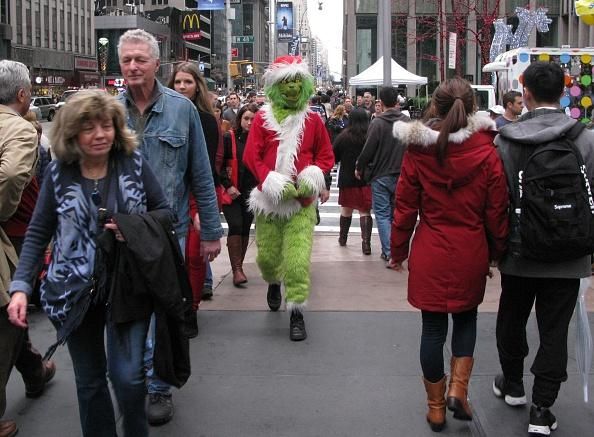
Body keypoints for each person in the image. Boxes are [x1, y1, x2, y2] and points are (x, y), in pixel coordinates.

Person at [8, 90, 172, 437]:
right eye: (88, 127)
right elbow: (38, 232)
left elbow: (164, 211)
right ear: (71, 133)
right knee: (90, 381)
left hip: (127, 286)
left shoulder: (133, 163)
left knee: (128, 379)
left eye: (106, 125)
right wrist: (21, 287)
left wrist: (132, 227)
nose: (100, 134)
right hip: (73, 291)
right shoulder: (58, 172)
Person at [388, 77, 509, 432]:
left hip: (431, 248)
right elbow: (496, 209)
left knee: (432, 329)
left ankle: (436, 407)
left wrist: (397, 250)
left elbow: (405, 207)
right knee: (466, 319)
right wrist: (495, 251)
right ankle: (459, 389)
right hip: (471, 247)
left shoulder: (418, 151)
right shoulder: (487, 151)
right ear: (472, 108)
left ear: (435, 106)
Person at [116, 28, 223, 426]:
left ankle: (158, 386)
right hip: (120, 233)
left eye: (140, 59)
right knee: (125, 311)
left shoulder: (182, 110)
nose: (132, 66)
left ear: (156, 64)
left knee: (161, 312)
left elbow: (201, 174)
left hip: (169, 232)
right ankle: (134, 379)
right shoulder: (109, 110)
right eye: (126, 60)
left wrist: (210, 231)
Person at [493, 62, 594, 437]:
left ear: (526, 94)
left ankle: (512, 383)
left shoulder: (506, 140)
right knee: (555, 329)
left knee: (512, 317)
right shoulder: (585, 139)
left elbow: (497, 200)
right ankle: (542, 407)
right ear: (564, 92)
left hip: (520, 251)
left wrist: (496, 248)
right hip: (570, 252)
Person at [243, 55, 334, 341]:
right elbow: (251, 156)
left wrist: (312, 177)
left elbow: (326, 156)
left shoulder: (314, 120)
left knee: (297, 261)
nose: (292, 87)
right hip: (269, 203)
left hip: (301, 204)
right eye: (286, 82)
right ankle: (273, 281)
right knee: (268, 258)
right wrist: (270, 180)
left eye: (297, 81)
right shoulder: (262, 118)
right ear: (276, 86)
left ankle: (296, 313)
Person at [0, 60, 56, 437]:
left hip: (16, 230)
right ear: (22, 94)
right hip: (16, 233)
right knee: (9, 315)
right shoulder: (19, 127)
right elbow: (11, 175)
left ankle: (35, 370)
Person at [167, 61, 221, 336]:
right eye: (177, 82)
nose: (182, 87)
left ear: (197, 86)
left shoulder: (207, 120)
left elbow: (206, 167)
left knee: (194, 256)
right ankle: (176, 307)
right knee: (172, 257)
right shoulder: (165, 115)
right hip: (169, 193)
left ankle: (192, 309)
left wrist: (202, 207)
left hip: (197, 194)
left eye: (187, 82)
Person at [355, 86, 410, 264]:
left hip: (380, 174)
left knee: (383, 215)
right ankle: (396, 250)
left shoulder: (377, 123)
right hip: (402, 174)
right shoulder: (407, 122)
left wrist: (360, 166)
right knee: (396, 215)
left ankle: (389, 251)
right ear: (397, 101)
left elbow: (368, 149)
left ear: (381, 102)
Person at [220, 103, 259, 286]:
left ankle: (239, 267)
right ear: (240, 119)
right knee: (235, 225)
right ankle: (236, 269)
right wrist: (228, 186)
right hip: (232, 191)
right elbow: (219, 164)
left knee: (245, 228)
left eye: (253, 119)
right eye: (246, 118)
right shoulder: (229, 137)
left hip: (251, 192)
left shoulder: (259, 139)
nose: (249, 122)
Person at [332, 108, 373, 253]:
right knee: (364, 211)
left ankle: (343, 238)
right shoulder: (370, 136)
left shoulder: (343, 137)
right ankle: (366, 244)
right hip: (365, 179)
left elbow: (334, 156)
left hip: (347, 178)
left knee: (346, 209)